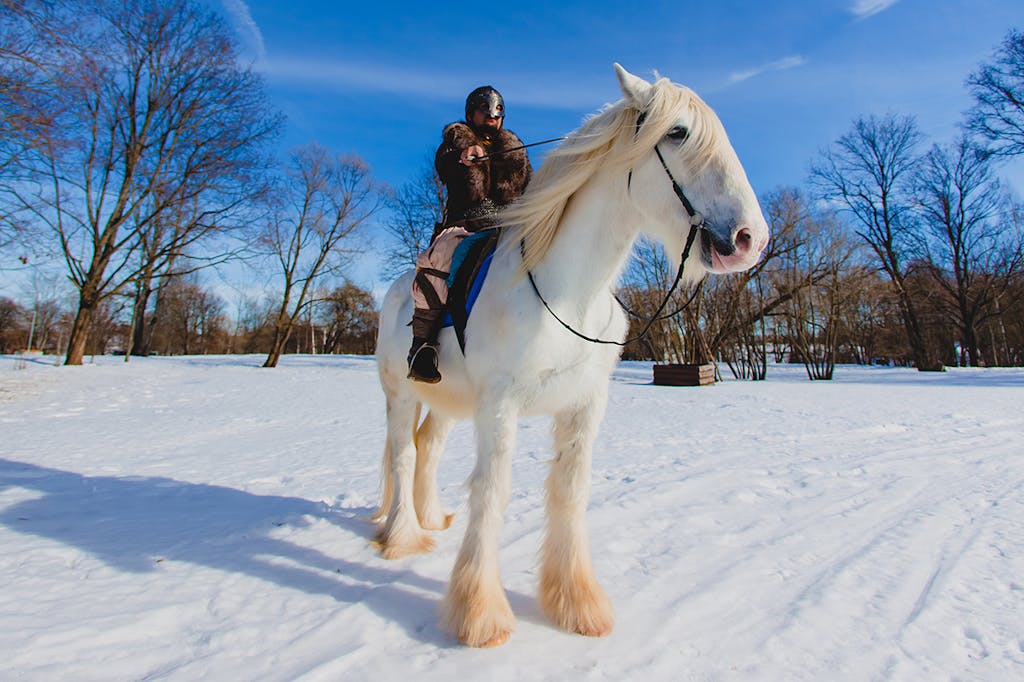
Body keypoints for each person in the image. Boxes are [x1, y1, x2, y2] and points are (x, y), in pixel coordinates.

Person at [407, 85, 533, 383]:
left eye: (496, 113)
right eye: (484, 111)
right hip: (465, 226)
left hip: (510, 226)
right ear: (471, 113)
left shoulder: (516, 151)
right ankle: (422, 347)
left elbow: (531, 187)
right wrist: (462, 155)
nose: (491, 117)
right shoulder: (454, 144)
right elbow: (445, 165)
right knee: (437, 261)